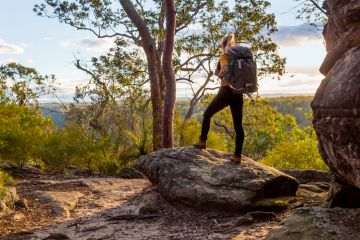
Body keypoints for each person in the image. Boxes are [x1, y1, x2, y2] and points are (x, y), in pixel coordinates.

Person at [193, 33, 244, 163]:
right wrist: (220, 72)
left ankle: (202, 141)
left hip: (226, 90)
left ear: (222, 45)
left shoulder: (224, 56)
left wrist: (221, 73)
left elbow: (224, 71)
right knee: (238, 125)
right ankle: (237, 155)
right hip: (238, 92)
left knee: (207, 114)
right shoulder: (239, 57)